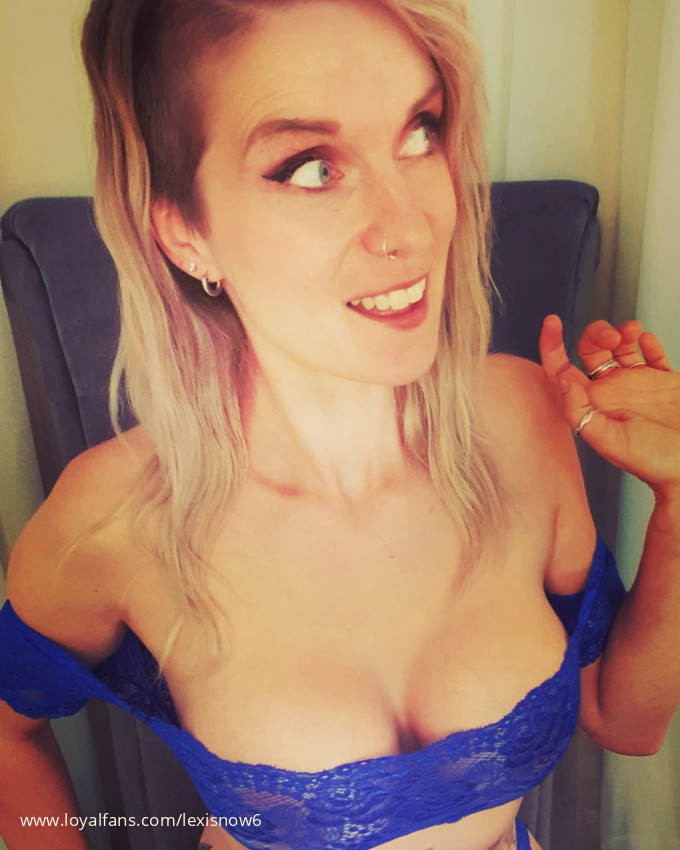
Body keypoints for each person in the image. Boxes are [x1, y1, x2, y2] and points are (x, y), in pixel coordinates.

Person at [1, 0, 679, 848]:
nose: (412, 226)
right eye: (311, 168)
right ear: (184, 233)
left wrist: (677, 500)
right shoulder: (113, 519)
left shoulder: (524, 417)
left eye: (420, 132)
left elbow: (626, 721)